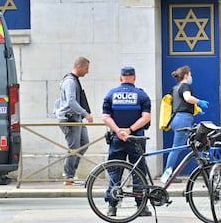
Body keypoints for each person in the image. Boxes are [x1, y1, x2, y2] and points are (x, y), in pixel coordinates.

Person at [102, 66, 152, 217]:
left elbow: (105, 117)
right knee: (138, 171)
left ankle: (112, 206)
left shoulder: (111, 94)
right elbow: (146, 117)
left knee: (115, 170)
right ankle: (141, 207)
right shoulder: (142, 96)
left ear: (120, 78)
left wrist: (118, 131)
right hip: (136, 138)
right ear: (135, 79)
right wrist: (129, 130)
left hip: (117, 138)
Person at [160, 65, 209, 184]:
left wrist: (196, 110)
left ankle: (204, 171)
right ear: (186, 75)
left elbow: (179, 103)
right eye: (190, 74)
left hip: (177, 119)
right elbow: (187, 98)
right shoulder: (185, 86)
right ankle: (168, 175)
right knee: (180, 147)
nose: (191, 76)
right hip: (184, 120)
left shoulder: (175, 88)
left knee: (193, 143)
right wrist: (199, 102)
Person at [54, 56, 93, 186]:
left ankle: (71, 174)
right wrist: (85, 114)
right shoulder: (70, 81)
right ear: (79, 67)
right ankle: (69, 176)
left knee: (84, 143)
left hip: (76, 118)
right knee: (74, 147)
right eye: (86, 68)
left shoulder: (74, 80)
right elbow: (71, 101)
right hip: (70, 118)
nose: (87, 72)